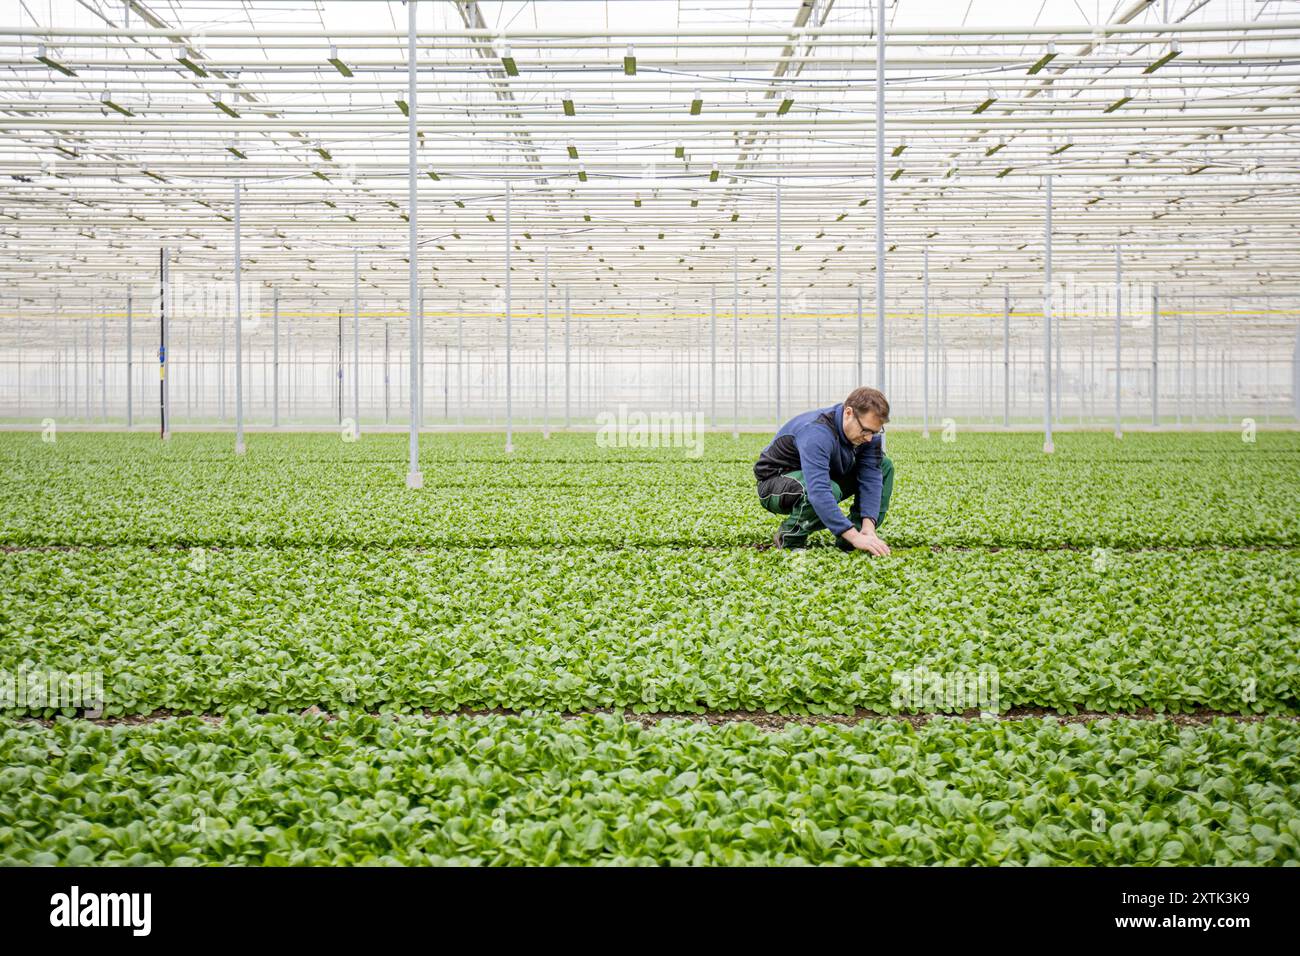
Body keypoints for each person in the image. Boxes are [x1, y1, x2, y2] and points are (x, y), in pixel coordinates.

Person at [753, 387, 894, 554]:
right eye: (865, 430)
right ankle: (790, 538)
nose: (869, 437)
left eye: (875, 432)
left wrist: (868, 527)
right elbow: (818, 491)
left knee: (884, 465)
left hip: (817, 477)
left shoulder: (868, 435)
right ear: (848, 413)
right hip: (775, 483)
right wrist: (854, 536)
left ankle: (852, 538)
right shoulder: (816, 432)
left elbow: (871, 477)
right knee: (828, 490)